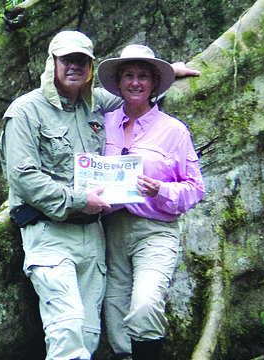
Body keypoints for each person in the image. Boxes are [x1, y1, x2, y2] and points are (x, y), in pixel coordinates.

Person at [0, 31, 200, 360]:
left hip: (94, 237)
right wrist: (80, 201)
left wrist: (168, 72)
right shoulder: (26, 111)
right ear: (52, 64)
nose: (74, 66)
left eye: (82, 61)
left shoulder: (96, 106)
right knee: (68, 328)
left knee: (90, 333)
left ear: (91, 67)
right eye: (67, 60)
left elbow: (136, 94)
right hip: (49, 231)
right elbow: (22, 177)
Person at [96, 44, 206, 360]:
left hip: (156, 231)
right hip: (111, 231)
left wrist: (161, 189)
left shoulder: (173, 131)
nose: (135, 83)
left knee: (145, 304)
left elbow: (195, 189)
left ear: (154, 84)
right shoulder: (103, 123)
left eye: (143, 76)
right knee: (115, 311)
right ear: (118, 81)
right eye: (129, 75)